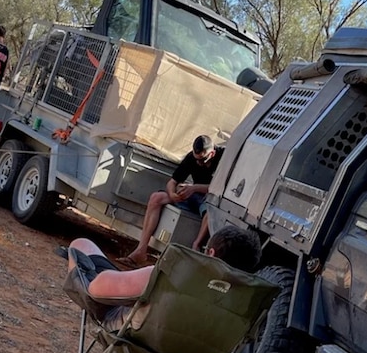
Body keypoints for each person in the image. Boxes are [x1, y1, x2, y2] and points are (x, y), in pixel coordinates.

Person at [67, 225, 261, 329]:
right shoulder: (246, 303)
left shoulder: (173, 273)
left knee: (81, 245)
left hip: (138, 335)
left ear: (210, 253)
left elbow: (96, 290)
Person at [117, 135, 224, 268]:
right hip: (193, 194)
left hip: (210, 199)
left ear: (212, 153)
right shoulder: (192, 158)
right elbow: (172, 181)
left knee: (211, 212)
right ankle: (141, 249)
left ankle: (196, 244)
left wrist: (194, 188)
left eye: (202, 160)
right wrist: (173, 194)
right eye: (196, 160)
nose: (198, 163)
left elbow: (220, 189)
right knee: (156, 198)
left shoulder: (223, 159)